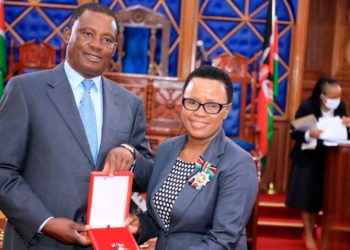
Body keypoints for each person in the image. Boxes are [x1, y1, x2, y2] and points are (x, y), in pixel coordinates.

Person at [0, 3, 153, 249]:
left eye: (107, 39)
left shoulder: (130, 104)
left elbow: (146, 177)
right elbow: (3, 170)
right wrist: (46, 222)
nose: (96, 45)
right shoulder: (25, 91)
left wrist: (131, 154)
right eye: (88, 34)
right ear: (68, 34)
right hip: (39, 241)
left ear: (114, 48)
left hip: (104, 243)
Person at [126, 66, 259, 250]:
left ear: (226, 110)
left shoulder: (238, 163)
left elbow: (222, 240)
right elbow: (166, 221)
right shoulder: (167, 149)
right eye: (192, 102)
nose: (199, 112)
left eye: (212, 106)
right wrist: (141, 225)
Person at [286, 78, 350, 250]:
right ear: (322, 96)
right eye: (333, 97)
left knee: (323, 198)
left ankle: (322, 231)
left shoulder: (341, 107)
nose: (337, 100)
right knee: (308, 199)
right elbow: (295, 132)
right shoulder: (308, 107)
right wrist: (309, 134)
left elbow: (343, 134)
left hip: (331, 160)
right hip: (308, 158)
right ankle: (308, 232)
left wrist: (348, 126)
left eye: (339, 96)